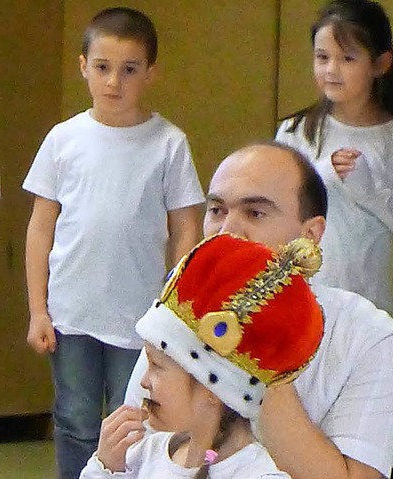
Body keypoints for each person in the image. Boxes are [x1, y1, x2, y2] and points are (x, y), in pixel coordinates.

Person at [125, 142, 393, 479]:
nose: (227, 231)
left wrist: (257, 365)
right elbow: (140, 450)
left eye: (255, 213)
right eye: (217, 211)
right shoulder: (183, 311)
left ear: (309, 235)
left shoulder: (368, 334)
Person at [23, 7, 204, 479]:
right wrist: (38, 309)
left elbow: (187, 229)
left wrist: (178, 308)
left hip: (141, 317)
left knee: (138, 422)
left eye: (129, 70)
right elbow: (41, 229)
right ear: (83, 65)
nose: (114, 82)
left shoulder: (169, 143)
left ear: (151, 72)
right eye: (102, 68)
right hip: (72, 313)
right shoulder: (64, 139)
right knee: (75, 419)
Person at [81, 233, 325, 478]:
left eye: (156, 365)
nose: (143, 381)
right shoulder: (145, 453)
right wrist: (105, 467)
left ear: (212, 388)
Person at [276, 0, 393, 312]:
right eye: (322, 57)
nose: (331, 70)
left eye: (347, 58)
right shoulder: (295, 131)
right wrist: (320, 176)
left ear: (380, 64)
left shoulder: (387, 136)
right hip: (303, 297)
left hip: (371, 304)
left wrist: (369, 190)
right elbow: (275, 209)